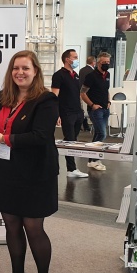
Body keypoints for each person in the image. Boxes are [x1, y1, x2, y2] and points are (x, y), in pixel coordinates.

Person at [0, 50, 59, 273]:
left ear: (35, 71)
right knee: (11, 224)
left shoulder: (45, 100)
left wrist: (5, 139)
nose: (20, 72)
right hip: (8, 170)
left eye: (25, 68)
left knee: (33, 227)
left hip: (36, 172)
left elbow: (40, 136)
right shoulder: (2, 98)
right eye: (16, 68)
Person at [51, 49, 88, 178]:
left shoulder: (76, 75)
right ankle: (71, 169)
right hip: (66, 113)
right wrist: (57, 115)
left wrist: (82, 111)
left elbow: (78, 94)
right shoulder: (59, 75)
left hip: (78, 112)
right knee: (70, 140)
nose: (77, 59)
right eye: (75, 57)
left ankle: (70, 167)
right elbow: (54, 97)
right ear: (67, 59)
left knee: (72, 140)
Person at [81, 51, 112, 171]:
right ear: (98, 63)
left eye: (108, 62)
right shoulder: (91, 76)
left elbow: (106, 90)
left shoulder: (108, 74)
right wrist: (92, 105)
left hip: (105, 109)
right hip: (96, 110)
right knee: (102, 133)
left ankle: (92, 159)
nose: (106, 64)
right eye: (104, 62)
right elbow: (83, 93)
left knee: (99, 134)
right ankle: (94, 159)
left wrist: (108, 101)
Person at [78, 56, 96, 131]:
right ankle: (87, 126)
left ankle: (84, 125)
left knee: (82, 109)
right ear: (93, 62)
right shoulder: (93, 72)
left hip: (81, 92)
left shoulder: (81, 70)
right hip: (89, 95)